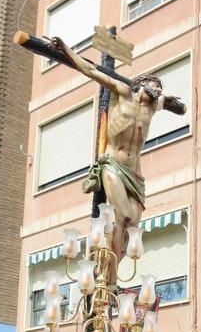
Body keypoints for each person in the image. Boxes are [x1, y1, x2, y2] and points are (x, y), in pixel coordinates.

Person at [49, 35, 182, 286]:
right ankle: (107, 280)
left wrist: (172, 100)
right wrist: (66, 49)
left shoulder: (155, 105)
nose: (158, 93)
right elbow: (90, 70)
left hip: (136, 174)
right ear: (141, 84)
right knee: (121, 214)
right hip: (112, 165)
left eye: (160, 91)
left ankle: (109, 268)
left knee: (133, 224)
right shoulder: (123, 92)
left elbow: (172, 103)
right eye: (155, 87)